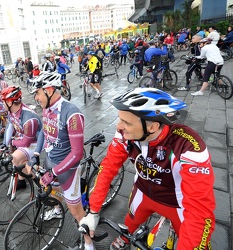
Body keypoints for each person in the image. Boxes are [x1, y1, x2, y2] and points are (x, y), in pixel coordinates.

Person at [79, 87, 215, 250]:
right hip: (143, 193)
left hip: (177, 203)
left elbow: (200, 210)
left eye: (126, 122)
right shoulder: (126, 135)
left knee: (196, 241)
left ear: (152, 127)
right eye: (120, 119)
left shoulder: (188, 145)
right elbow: (108, 168)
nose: (118, 127)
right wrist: (93, 211)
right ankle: (125, 236)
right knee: (130, 223)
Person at [29, 72, 92, 249]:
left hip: (68, 169)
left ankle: (89, 244)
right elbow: (43, 133)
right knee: (53, 192)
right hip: (51, 161)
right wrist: (35, 155)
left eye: (37, 92)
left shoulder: (72, 114)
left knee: (76, 212)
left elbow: (77, 153)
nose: (36, 97)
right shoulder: (47, 107)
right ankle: (57, 210)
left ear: (49, 90)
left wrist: (54, 173)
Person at [0, 86, 42, 189]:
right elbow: (9, 126)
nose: (2, 104)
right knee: (19, 162)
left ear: (10, 102)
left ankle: (40, 180)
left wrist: (12, 142)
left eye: (4, 101)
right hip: (23, 138)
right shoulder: (12, 111)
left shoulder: (29, 118)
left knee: (15, 158)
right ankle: (22, 180)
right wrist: (5, 143)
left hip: (36, 143)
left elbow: (26, 143)